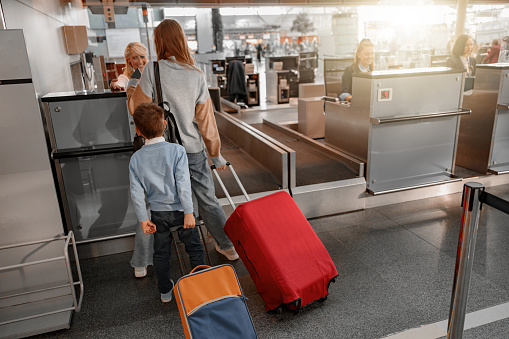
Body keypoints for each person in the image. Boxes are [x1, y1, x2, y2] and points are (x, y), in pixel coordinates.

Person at [127, 19, 239, 262]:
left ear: (159, 41)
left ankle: (147, 261)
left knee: (155, 202)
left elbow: (137, 108)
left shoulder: (151, 69)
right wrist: (216, 154)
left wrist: (130, 85)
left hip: (162, 151)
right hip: (192, 149)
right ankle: (227, 246)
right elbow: (205, 120)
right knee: (207, 198)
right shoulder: (196, 74)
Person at [129, 102, 205, 302]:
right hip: (181, 211)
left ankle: (165, 291)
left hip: (157, 215)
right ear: (164, 124)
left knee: (161, 254)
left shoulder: (136, 159)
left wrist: (143, 219)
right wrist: (189, 211)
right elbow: (183, 184)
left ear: (137, 131)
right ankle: (201, 285)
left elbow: (136, 192)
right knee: (194, 249)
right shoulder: (177, 151)